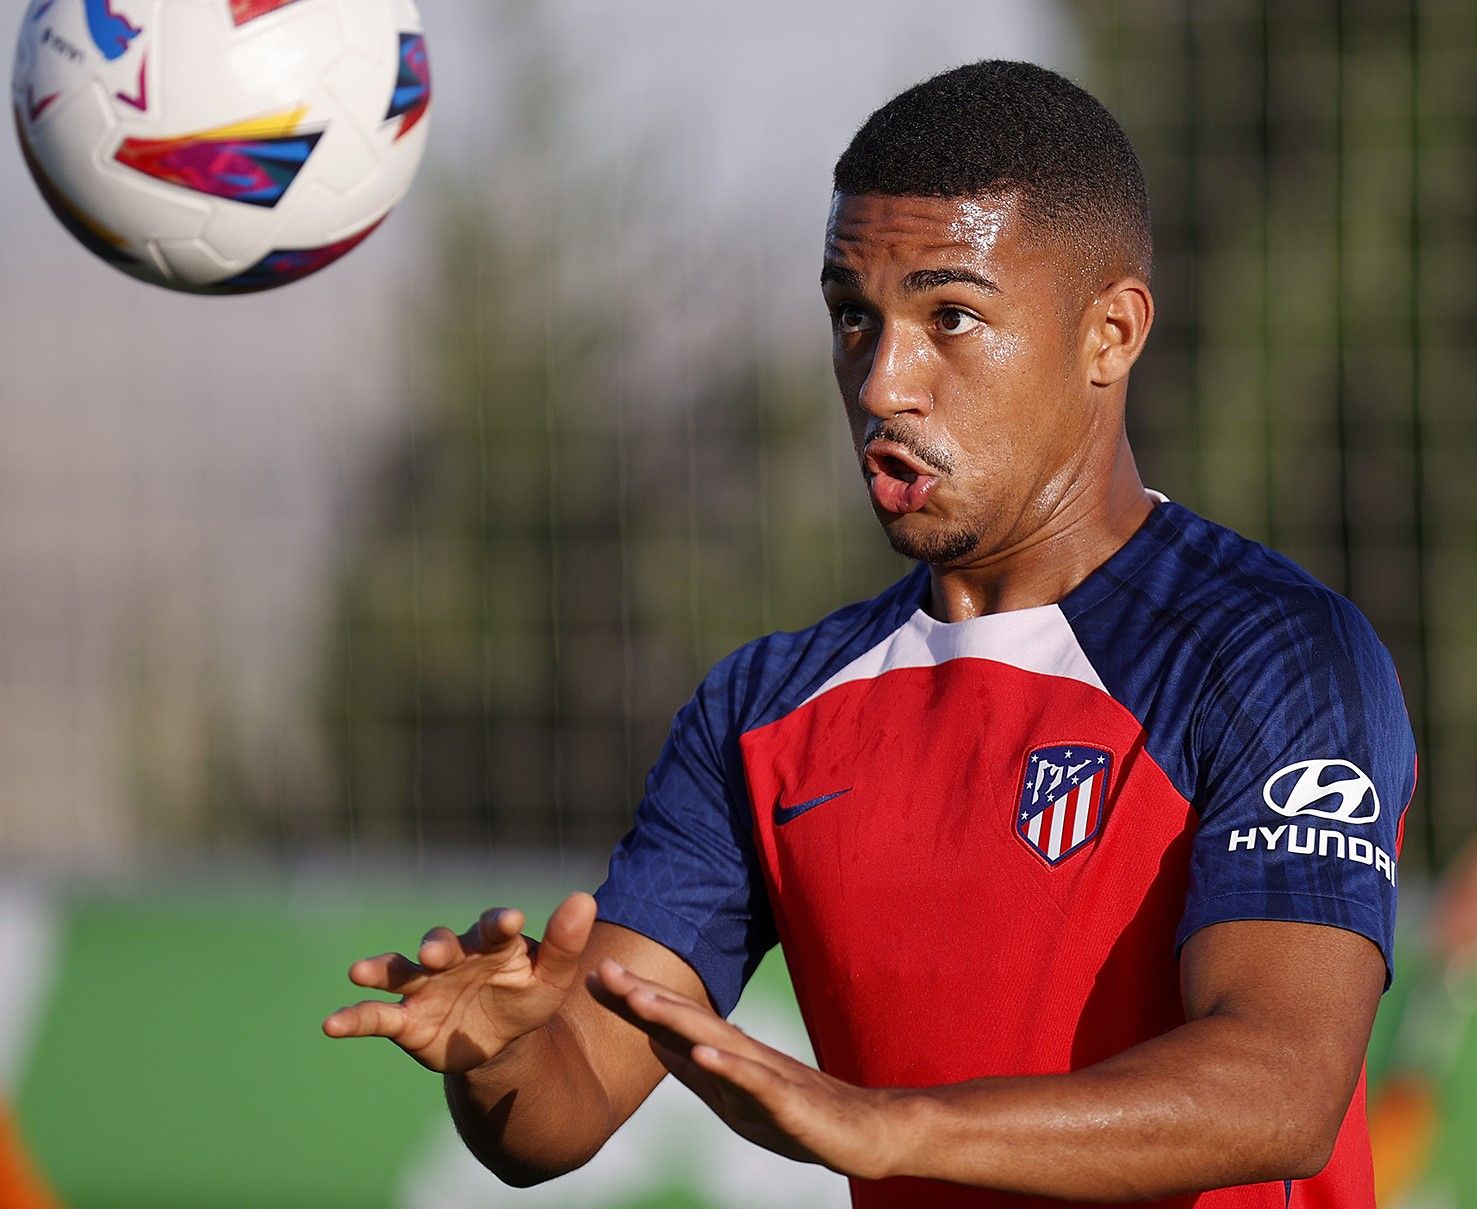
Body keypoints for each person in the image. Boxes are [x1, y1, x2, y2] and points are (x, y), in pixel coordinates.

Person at [323, 61, 1415, 1207]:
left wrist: (887, 1125)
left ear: (1109, 334)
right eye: (854, 317)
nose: (883, 382)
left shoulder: (1274, 655)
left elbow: (1280, 1088)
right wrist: (498, 1055)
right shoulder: (763, 712)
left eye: (951, 318)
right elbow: (567, 1104)